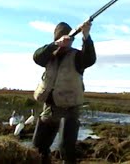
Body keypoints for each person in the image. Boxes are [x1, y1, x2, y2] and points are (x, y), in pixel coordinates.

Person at [32, 21, 96, 164]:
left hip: (70, 109)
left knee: (66, 150)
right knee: (38, 147)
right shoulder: (49, 55)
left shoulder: (78, 57)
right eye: (64, 38)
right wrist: (56, 44)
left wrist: (86, 35)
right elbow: (36, 57)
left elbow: (90, 59)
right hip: (49, 108)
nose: (68, 42)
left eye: (70, 38)